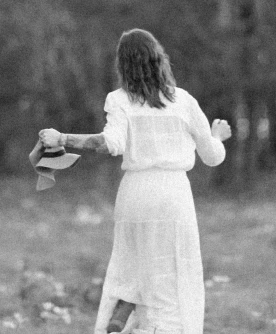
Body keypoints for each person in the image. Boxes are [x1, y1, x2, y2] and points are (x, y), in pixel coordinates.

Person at [38, 28, 232, 334]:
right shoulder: (183, 101)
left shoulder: (119, 100)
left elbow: (108, 143)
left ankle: (122, 320)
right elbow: (212, 156)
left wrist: (63, 137)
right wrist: (217, 136)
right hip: (173, 196)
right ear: (159, 59)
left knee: (129, 269)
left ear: (122, 65)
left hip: (136, 195)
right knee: (172, 275)